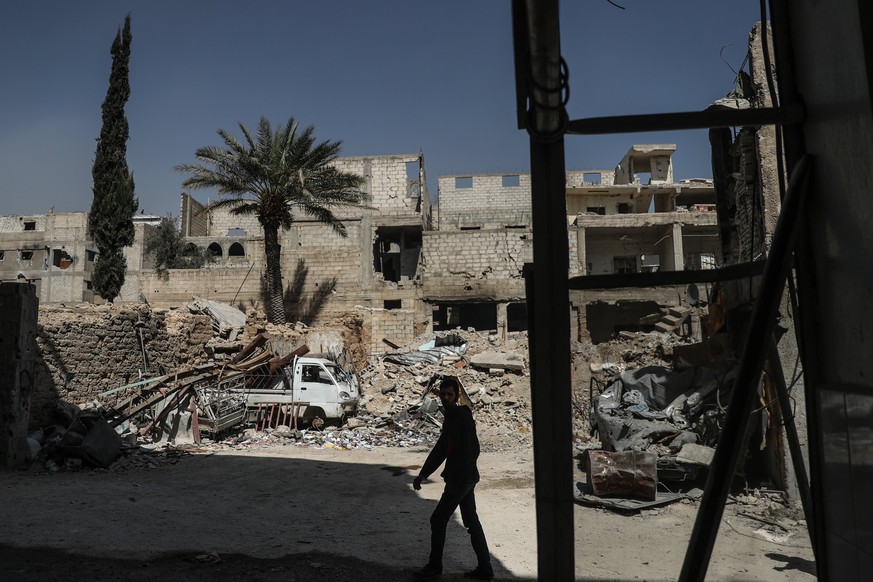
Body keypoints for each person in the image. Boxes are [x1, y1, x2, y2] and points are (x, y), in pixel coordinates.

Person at [412, 377, 493, 581]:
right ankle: (485, 567)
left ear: (456, 396)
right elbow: (441, 449)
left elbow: (473, 449)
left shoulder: (461, 416)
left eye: (450, 394)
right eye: (443, 394)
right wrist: (424, 473)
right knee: (471, 521)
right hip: (464, 479)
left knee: (438, 519)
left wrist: (459, 475)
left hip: (461, 479)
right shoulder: (451, 416)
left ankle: (435, 565)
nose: (446, 398)